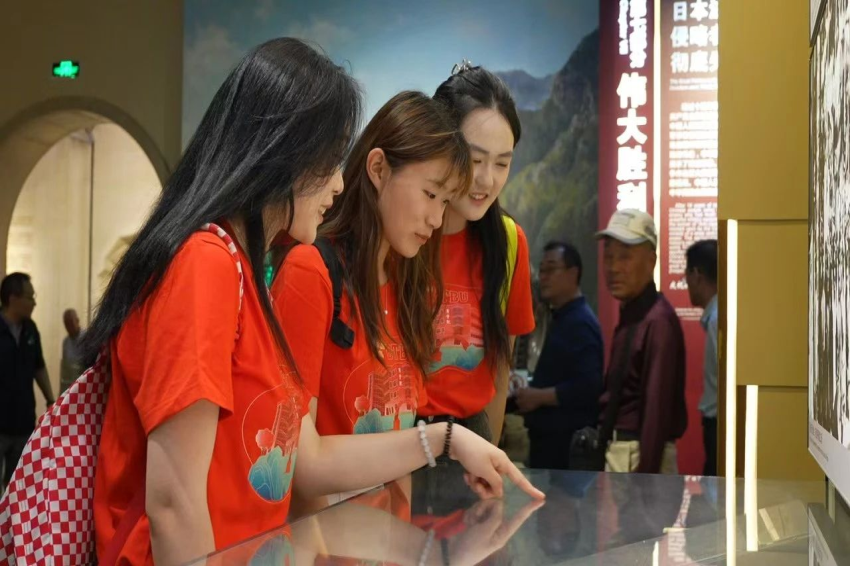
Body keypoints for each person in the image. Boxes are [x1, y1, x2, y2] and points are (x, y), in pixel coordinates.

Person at [82, 39, 541, 566]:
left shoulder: (242, 268)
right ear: (281, 151)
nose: (339, 183)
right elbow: (174, 503)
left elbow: (292, 456)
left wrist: (445, 439)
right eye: (328, 160)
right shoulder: (208, 263)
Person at [420, 63, 536, 443]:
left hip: (471, 438)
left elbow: (500, 372)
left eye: (502, 163)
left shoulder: (509, 242)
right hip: (398, 437)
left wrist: (488, 458)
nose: (487, 180)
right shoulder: (406, 233)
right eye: (475, 160)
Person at [596, 209, 686, 474]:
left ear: (651, 261)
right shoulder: (634, 314)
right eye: (608, 256)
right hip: (626, 454)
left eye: (625, 256)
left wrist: (646, 481)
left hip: (638, 459)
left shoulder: (657, 321)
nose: (613, 268)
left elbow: (656, 411)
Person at [515, 241, 603, 470]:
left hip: (565, 450)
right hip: (546, 445)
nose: (543, 277)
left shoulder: (580, 323)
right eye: (542, 270)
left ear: (573, 273)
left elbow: (589, 384)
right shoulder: (559, 318)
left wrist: (539, 397)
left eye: (551, 269)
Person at [0, 273, 55, 490]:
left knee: (16, 487)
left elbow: (38, 367)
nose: (34, 303)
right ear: (13, 298)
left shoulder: (31, 329)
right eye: (30, 297)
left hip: (23, 422)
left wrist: (50, 399)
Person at [685, 239, 718, 476]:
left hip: (719, 425)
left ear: (696, 275)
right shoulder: (717, 318)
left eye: (687, 275)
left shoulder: (717, 320)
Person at [59, 308, 84, 394]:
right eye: (66, 323)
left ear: (77, 320)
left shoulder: (87, 338)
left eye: (71, 322)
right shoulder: (65, 342)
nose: (69, 326)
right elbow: (65, 369)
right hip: (69, 387)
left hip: (83, 385)